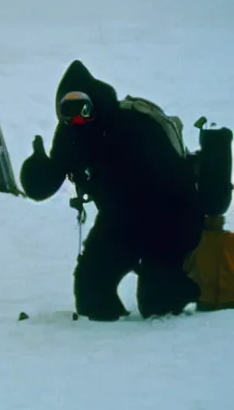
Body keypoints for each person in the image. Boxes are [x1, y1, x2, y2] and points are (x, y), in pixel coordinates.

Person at [20, 60, 204, 321]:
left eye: (82, 108)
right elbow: (44, 185)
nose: (76, 117)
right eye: (67, 110)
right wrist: (38, 167)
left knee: (158, 304)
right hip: (120, 221)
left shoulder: (133, 126)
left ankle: (200, 285)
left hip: (169, 219)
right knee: (91, 295)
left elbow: (172, 184)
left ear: (95, 103)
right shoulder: (70, 136)